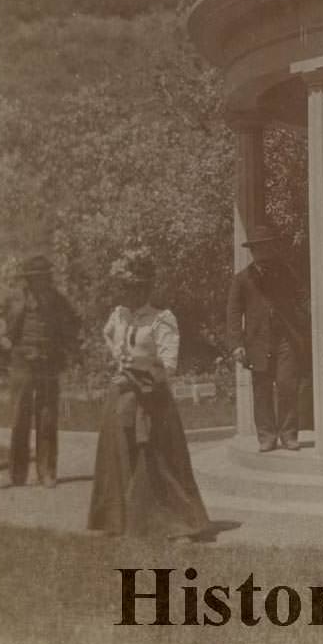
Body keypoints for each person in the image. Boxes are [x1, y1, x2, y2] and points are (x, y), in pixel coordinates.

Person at [87, 249, 209, 539]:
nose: (129, 292)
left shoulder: (161, 319)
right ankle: (122, 522)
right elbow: (108, 336)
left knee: (158, 461)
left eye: (135, 286)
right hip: (121, 396)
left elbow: (168, 365)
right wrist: (120, 361)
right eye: (125, 287)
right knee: (120, 457)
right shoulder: (118, 316)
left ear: (146, 287)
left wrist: (141, 373)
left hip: (152, 399)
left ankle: (179, 526)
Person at [0, 253, 80, 489]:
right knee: (19, 418)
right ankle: (17, 474)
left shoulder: (57, 299)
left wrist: (68, 347)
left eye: (44, 278)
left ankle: (47, 472)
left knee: (47, 418)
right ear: (27, 279)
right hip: (21, 362)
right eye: (35, 279)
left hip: (48, 363)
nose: (40, 283)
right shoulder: (12, 297)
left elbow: (74, 322)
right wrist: (2, 343)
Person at [226, 224, 309, 452]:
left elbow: (303, 298)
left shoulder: (286, 272)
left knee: (286, 385)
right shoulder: (242, 279)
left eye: (266, 247)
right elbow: (233, 314)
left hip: (285, 340)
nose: (263, 252)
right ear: (252, 251)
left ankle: (289, 434)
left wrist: (300, 323)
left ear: (272, 247)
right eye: (257, 248)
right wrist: (236, 345)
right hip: (257, 342)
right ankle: (266, 436)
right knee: (261, 389)